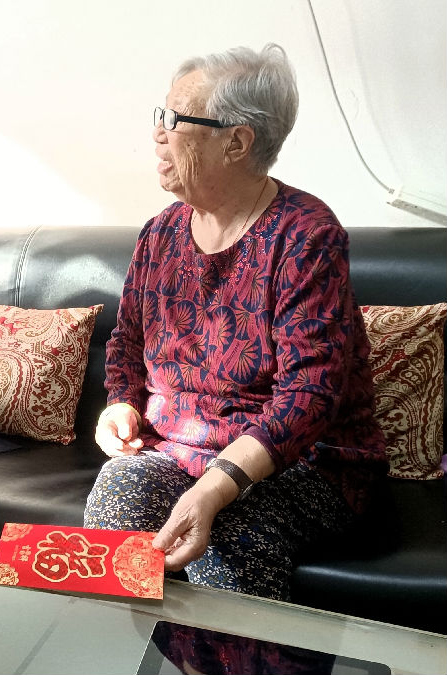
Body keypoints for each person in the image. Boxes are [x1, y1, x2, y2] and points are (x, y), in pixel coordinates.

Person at [84, 44, 387, 601]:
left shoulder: (306, 236)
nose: (158, 134)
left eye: (176, 120)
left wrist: (216, 487)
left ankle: (242, 649)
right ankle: (122, 644)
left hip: (300, 463)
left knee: (229, 538)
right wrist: (120, 406)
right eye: (161, 114)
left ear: (237, 142)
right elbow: (125, 343)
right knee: (117, 504)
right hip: (177, 449)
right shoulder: (159, 234)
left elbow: (308, 396)